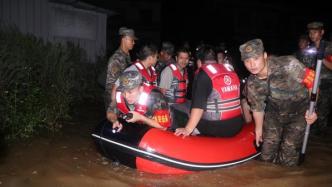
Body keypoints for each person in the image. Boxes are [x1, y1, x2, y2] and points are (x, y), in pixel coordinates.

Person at [240, 38, 318, 166]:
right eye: (247, 61)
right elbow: (258, 107)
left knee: (288, 155)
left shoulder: (288, 65)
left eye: (256, 58)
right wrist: (258, 129)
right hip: (274, 113)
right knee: (266, 156)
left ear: (265, 56)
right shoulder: (252, 83)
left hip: (299, 113)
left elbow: (312, 82)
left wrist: (313, 109)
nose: (252, 64)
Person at [174, 45, 243, 137]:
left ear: (199, 62)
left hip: (216, 127)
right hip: (237, 123)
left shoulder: (203, 74)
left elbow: (198, 106)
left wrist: (187, 129)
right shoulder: (230, 70)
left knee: (180, 111)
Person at [107, 71, 171, 132]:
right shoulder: (120, 95)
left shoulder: (156, 97)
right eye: (124, 92)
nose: (126, 96)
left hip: (154, 132)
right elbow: (110, 111)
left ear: (141, 89)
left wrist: (141, 118)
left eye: (130, 92)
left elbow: (163, 127)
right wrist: (114, 121)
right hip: (136, 131)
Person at [306, 21, 332, 134]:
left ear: (322, 32)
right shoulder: (309, 48)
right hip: (311, 83)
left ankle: (321, 135)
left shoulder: (329, 47)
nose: (312, 35)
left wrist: (320, 56)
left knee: (322, 112)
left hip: (325, 82)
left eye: (315, 32)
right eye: (310, 32)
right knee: (311, 108)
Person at [105, 27, 137, 112]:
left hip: (124, 96)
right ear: (124, 39)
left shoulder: (127, 55)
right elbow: (111, 84)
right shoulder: (116, 58)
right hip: (115, 99)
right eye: (132, 40)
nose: (134, 43)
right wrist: (113, 104)